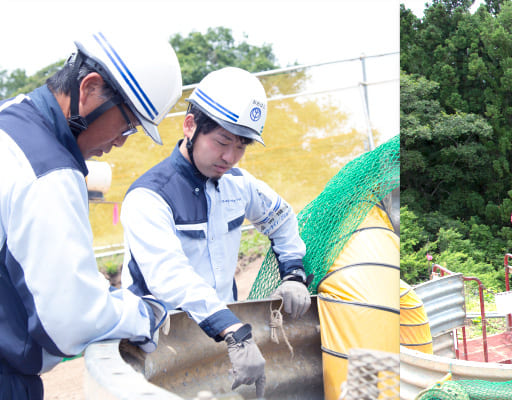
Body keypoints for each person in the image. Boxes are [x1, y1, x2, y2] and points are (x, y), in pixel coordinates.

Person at [0, 31, 182, 399]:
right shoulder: (48, 169)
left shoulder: (10, 119)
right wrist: (143, 314)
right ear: (90, 88)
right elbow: (70, 322)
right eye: (127, 123)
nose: (121, 141)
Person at [120, 66, 312, 397]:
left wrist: (293, 273)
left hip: (225, 338)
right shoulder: (149, 197)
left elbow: (282, 219)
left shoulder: (239, 185)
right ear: (190, 126)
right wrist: (232, 330)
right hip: (157, 348)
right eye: (222, 142)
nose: (230, 157)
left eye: (241, 147)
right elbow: (169, 276)